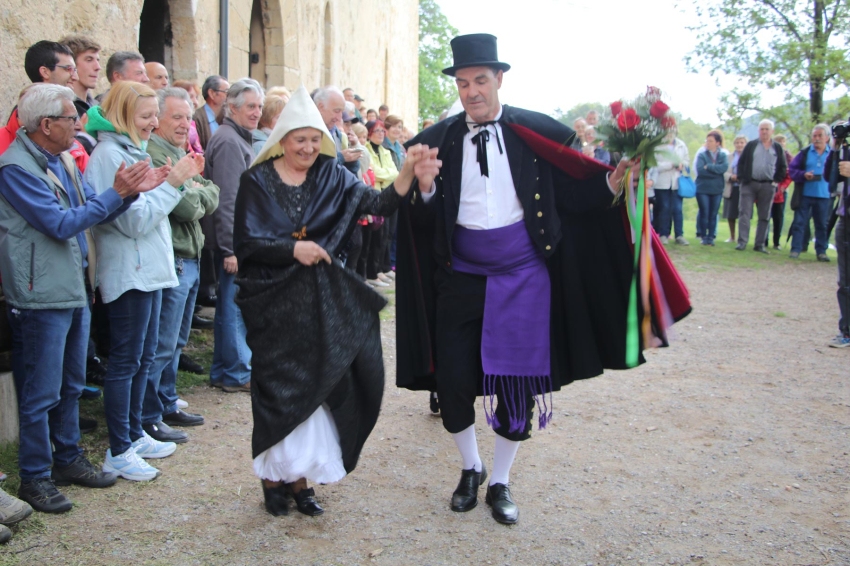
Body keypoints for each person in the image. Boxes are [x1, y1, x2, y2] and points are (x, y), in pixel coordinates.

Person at [396, 34, 689, 526]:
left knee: (515, 387)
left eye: (481, 81)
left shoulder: (536, 132)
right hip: (460, 276)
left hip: (523, 277)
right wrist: (424, 189)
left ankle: (501, 482)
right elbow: (421, 227)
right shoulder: (438, 141)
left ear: (499, 80)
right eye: (464, 82)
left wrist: (612, 180)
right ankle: (470, 467)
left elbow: (572, 200)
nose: (472, 91)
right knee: (451, 380)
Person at [232, 85, 432, 516]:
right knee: (276, 389)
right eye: (298, 139)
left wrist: (408, 174)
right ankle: (272, 477)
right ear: (282, 140)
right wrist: (292, 250)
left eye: (312, 139)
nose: (306, 147)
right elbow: (246, 240)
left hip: (320, 298)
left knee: (318, 385)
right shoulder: (256, 180)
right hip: (272, 300)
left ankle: (301, 480)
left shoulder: (332, 174)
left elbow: (378, 202)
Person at [0, 83, 165, 509]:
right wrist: (119, 193)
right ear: (46, 124)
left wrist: (134, 191)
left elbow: (93, 206)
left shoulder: (61, 159)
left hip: (72, 286)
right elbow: (60, 223)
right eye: (71, 117)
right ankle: (35, 476)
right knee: (40, 392)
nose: (80, 122)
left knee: (72, 383)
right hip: (40, 294)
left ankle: (68, 457)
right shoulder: (16, 169)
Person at [84, 81, 204, 480]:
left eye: (156, 115)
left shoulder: (130, 149)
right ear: (122, 115)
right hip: (129, 273)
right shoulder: (107, 156)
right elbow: (132, 222)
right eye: (147, 116)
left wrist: (165, 186)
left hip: (149, 272)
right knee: (125, 361)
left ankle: (134, 434)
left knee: (141, 358)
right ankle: (119, 447)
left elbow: (145, 210)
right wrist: (173, 184)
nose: (154, 123)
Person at [142, 87, 220, 444]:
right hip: (173, 256)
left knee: (176, 340)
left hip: (189, 255)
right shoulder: (156, 153)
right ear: (157, 119)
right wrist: (196, 194)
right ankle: (149, 414)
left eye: (188, 117)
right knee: (162, 342)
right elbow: (188, 207)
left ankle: (167, 400)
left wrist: (196, 193)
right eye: (176, 117)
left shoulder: (178, 152)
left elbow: (210, 192)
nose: (184, 124)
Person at [203, 78, 264, 393]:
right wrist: (230, 249)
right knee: (233, 308)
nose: (256, 112)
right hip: (234, 243)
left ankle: (226, 370)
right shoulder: (229, 141)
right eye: (250, 106)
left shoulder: (239, 138)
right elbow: (227, 200)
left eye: (259, 106)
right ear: (233, 107)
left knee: (232, 307)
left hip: (242, 240)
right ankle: (236, 373)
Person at [735, 119, 788, 253]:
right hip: (749, 183)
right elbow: (741, 163)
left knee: (764, 216)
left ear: (772, 131)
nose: (764, 131)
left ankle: (759, 244)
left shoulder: (777, 147)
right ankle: (742, 242)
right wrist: (742, 179)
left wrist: (776, 181)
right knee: (744, 213)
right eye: (762, 129)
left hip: (767, 185)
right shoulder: (751, 145)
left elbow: (783, 167)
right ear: (758, 131)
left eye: (767, 129)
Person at [789, 124, 832, 261]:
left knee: (821, 224)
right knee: (800, 222)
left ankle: (821, 252)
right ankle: (796, 249)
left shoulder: (833, 154)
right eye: (814, 136)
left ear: (827, 138)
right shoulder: (805, 152)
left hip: (824, 195)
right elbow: (792, 170)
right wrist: (803, 175)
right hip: (805, 194)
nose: (817, 139)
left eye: (820, 136)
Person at [364, 119, 398, 287]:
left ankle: (380, 269)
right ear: (369, 132)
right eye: (377, 131)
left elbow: (395, 172)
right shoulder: (366, 149)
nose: (381, 134)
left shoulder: (385, 151)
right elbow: (374, 173)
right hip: (374, 195)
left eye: (382, 131)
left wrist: (385, 175)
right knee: (373, 237)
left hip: (386, 194)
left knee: (386, 235)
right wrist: (387, 175)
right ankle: (372, 272)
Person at [652, 131, 689, 245]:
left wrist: (682, 164)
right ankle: (663, 234)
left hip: (676, 183)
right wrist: (671, 165)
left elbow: (687, 161)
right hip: (661, 182)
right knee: (665, 208)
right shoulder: (657, 146)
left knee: (677, 209)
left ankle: (679, 235)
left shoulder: (681, 145)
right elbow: (654, 165)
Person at [313, 86, 360, 175]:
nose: (340, 117)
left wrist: (352, 163)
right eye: (336, 111)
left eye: (341, 112)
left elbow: (345, 178)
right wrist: (340, 158)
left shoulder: (340, 136)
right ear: (321, 107)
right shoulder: (305, 134)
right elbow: (308, 170)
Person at [695, 132, 728, 246]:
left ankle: (711, 237)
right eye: (707, 141)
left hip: (717, 189)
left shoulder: (723, 156)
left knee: (713, 214)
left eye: (711, 141)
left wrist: (709, 167)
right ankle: (704, 236)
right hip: (703, 188)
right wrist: (715, 171)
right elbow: (700, 170)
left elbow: (723, 168)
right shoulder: (702, 155)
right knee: (705, 212)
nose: (708, 143)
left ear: (717, 143)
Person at [832, 147, 850, 347]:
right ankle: (846, 330)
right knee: (844, 279)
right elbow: (831, 179)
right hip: (845, 217)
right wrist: (836, 147)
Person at [768, 134, 793, 250]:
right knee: (766, 215)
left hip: (781, 191)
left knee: (778, 217)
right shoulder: (769, 154)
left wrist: (782, 186)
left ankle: (776, 242)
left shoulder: (788, 157)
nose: (781, 144)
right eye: (779, 141)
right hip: (767, 189)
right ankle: (764, 240)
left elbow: (790, 174)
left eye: (783, 141)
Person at [193, 75, 230, 151]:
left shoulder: (228, 118)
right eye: (226, 92)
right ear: (212, 94)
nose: (229, 96)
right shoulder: (197, 118)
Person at [723, 136, 747, 243]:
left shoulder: (749, 157)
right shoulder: (729, 157)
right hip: (732, 187)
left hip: (745, 188)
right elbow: (723, 171)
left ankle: (743, 237)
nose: (739, 145)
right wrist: (730, 176)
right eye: (737, 143)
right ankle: (732, 236)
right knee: (731, 213)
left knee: (744, 213)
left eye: (742, 142)